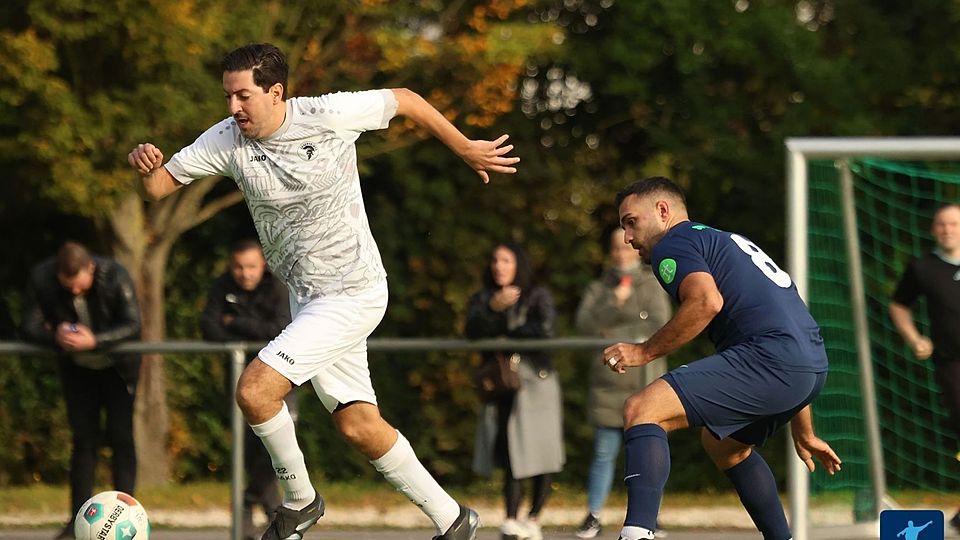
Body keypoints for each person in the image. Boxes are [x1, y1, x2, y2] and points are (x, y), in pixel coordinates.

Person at [127, 43, 518, 540]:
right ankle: (454, 520)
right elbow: (159, 188)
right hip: (309, 299)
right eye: (227, 96)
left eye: (243, 96)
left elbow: (404, 97)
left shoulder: (327, 114)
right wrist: (145, 169)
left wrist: (463, 145)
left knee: (254, 390)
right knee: (358, 425)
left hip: (353, 290)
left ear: (275, 92)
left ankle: (299, 502)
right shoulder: (226, 139)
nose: (232, 108)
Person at [602, 177, 841, 540]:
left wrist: (643, 351)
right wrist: (804, 429)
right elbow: (787, 333)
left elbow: (705, 302)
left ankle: (637, 534)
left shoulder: (674, 243)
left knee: (642, 409)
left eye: (631, 222)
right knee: (725, 447)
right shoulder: (722, 239)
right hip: (809, 365)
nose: (627, 237)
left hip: (771, 359)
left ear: (663, 211)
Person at [20, 241, 142, 539]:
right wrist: (54, 334)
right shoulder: (42, 278)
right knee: (83, 441)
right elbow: (27, 324)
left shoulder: (115, 275)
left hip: (117, 369)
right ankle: (77, 521)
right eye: (68, 286)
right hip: (77, 370)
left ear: (91, 268)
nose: (75, 291)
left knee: (121, 438)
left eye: (79, 285)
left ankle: (126, 517)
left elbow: (133, 324)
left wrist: (96, 341)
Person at [573, 228, 671, 539]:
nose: (621, 254)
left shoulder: (652, 283)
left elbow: (660, 324)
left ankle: (648, 516)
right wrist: (613, 306)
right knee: (604, 452)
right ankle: (594, 514)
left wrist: (615, 330)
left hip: (646, 383)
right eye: (614, 249)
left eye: (625, 248)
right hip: (607, 385)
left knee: (648, 450)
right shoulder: (599, 287)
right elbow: (584, 325)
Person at [465, 242, 564, 540]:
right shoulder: (483, 297)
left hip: (537, 382)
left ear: (518, 264)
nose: (499, 266)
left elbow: (545, 329)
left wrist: (507, 334)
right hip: (503, 386)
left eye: (506, 260)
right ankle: (510, 518)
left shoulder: (537, 294)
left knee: (542, 453)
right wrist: (494, 309)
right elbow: (471, 331)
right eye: (495, 260)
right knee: (511, 453)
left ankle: (534, 518)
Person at [200, 238, 294, 540]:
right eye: (239, 267)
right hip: (240, 383)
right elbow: (209, 328)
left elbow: (281, 330)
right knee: (250, 453)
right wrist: (251, 327)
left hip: (279, 381)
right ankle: (273, 520)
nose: (244, 273)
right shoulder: (221, 285)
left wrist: (235, 322)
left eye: (251, 266)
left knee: (275, 453)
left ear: (262, 265)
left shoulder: (277, 288)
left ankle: (253, 505)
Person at [888, 202, 960, 531]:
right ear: (933, 229)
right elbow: (899, 305)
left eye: (955, 224)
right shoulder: (923, 267)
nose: (948, 230)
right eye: (942, 224)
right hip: (952, 363)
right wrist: (915, 338)